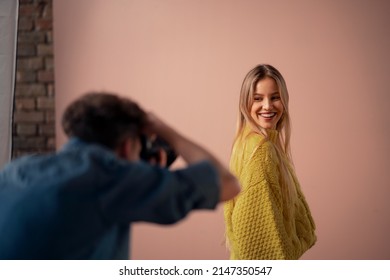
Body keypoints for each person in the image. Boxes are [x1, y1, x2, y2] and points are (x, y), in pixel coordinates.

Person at [0, 92, 240, 259]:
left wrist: (145, 174)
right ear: (126, 146)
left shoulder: (17, 169)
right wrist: (164, 130)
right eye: (139, 147)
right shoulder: (108, 177)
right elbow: (227, 183)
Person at [224, 64, 316, 259]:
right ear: (245, 103)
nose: (267, 106)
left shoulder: (247, 142)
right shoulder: (261, 151)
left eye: (275, 97)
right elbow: (256, 241)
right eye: (258, 98)